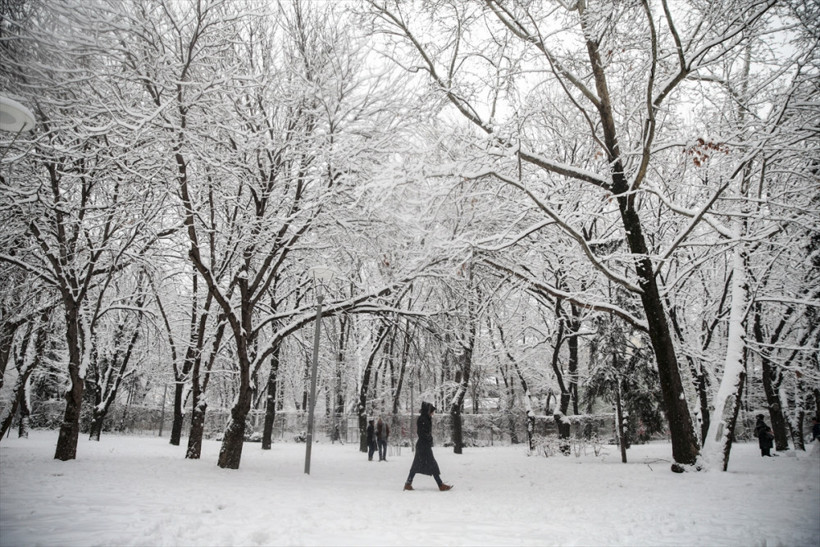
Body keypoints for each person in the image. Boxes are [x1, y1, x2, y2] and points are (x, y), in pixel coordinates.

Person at [404, 402, 452, 491]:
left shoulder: (425, 418)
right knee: (432, 464)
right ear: (428, 411)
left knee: (417, 465)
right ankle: (440, 485)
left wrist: (429, 439)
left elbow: (424, 433)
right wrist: (430, 439)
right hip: (423, 446)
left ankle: (408, 483)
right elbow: (422, 433)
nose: (433, 413)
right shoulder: (423, 419)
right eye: (432, 411)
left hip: (423, 445)